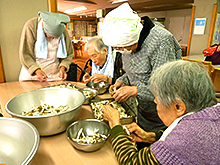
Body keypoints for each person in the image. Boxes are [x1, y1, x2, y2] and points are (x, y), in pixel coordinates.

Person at [103, 60, 220, 164]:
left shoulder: (184, 140)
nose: (155, 101)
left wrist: (115, 124)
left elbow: (131, 161)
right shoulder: (212, 114)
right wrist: (151, 137)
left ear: (178, 107)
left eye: (157, 99)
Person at [102, 3, 182, 148]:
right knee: (141, 144)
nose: (122, 51)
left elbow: (165, 89)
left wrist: (134, 90)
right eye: (117, 48)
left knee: (159, 152)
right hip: (144, 111)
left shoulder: (161, 42)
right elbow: (132, 71)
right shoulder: (127, 43)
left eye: (123, 47)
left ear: (134, 37)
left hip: (164, 116)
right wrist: (122, 81)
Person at [19, 11, 74, 82]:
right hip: (32, 76)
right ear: (43, 26)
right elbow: (25, 54)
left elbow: (68, 53)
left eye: (56, 37)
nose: (53, 38)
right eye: (50, 35)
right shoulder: (31, 26)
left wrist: (63, 67)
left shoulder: (62, 30)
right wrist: (35, 70)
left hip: (54, 75)